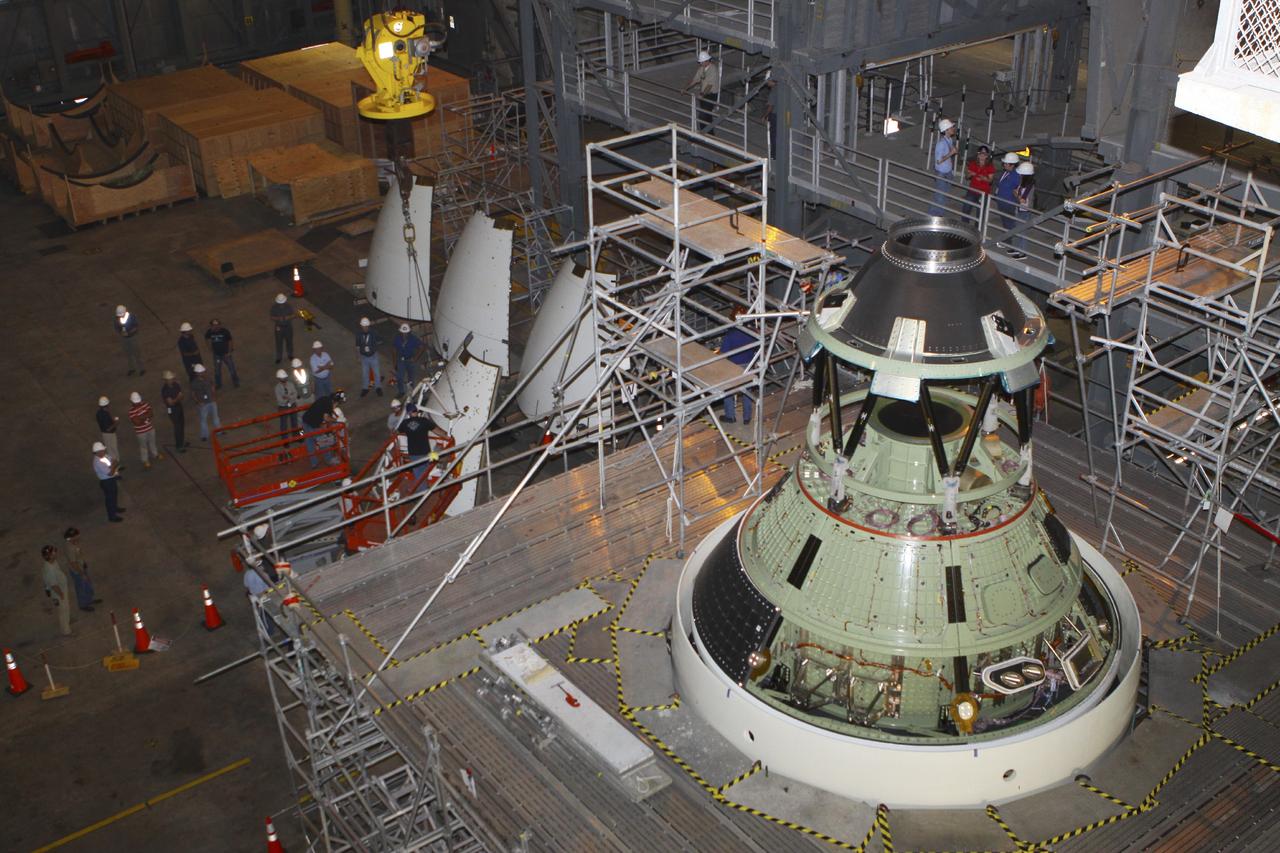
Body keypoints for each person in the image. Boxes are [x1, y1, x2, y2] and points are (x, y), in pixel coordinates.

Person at [720, 313, 757, 424]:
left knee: (728, 391)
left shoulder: (730, 335)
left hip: (733, 366)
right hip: (748, 365)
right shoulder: (751, 333)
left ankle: (730, 416)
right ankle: (747, 418)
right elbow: (757, 347)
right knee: (747, 392)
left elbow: (724, 352)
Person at [301, 391, 346, 468]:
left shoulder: (325, 399)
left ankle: (314, 463)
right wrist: (337, 420)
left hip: (305, 420)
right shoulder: (329, 405)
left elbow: (321, 414)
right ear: (336, 401)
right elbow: (326, 418)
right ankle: (329, 460)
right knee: (323, 441)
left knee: (310, 442)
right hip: (312, 424)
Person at [397, 404, 438, 488]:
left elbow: (399, 432)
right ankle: (424, 491)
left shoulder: (405, 423)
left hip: (414, 454)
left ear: (408, 413)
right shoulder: (424, 421)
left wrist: (409, 432)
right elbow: (437, 430)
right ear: (416, 411)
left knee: (420, 476)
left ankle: (422, 494)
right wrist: (447, 437)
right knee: (424, 473)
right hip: (426, 452)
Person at [62, 528, 100, 612]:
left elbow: (78, 555)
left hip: (81, 566)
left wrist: (83, 563)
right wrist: (81, 573)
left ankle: (89, 600)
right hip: (77, 571)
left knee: (87, 585)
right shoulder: (70, 548)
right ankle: (83, 605)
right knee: (81, 587)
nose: (79, 537)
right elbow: (73, 563)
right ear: (72, 537)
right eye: (77, 536)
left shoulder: (73, 543)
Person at [42, 545, 74, 636]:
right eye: (53, 552)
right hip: (58, 593)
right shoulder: (49, 570)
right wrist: (61, 594)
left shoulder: (52, 562)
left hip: (61, 589)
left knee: (65, 609)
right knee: (63, 611)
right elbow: (53, 585)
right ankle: (66, 631)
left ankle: (66, 622)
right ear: (49, 555)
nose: (55, 553)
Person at [686, 50, 720, 132]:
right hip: (704, 94)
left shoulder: (713, 69)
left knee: (703, 115)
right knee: (706, 115)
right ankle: (708, 133)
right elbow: (695, 80)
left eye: (702, 62)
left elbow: (710, 85)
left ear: (707, 61)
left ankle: (705, 132)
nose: (700, 64)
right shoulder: (702, 69)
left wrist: (702, 94)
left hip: (711, 95)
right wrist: (686, 88)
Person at [930, 118, 959, 215]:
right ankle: (935, 215)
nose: (953, 129)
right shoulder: (941, 144)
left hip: (947, 172)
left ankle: (938, 214)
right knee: (940, 196)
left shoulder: (949, 140)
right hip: (942, 173)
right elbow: (938, 161)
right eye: (951, 127)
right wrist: (951, 153)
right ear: (946, 130)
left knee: (943, 195)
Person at [127, 391, 163, 469]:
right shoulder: (131, 411)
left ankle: (155, 454)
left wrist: (141, 417)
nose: (138, 403)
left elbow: (151, 413)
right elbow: (137, 422)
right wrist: (145, 416)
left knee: (152, 442)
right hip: (141, 432)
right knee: (143, 446)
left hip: (150, 428)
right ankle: (145, 460)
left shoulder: (145, 404)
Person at [993, 152, 1022, 251]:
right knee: (1005, 221)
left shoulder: (1016, 176)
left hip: (1008, 202)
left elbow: (1018, 190)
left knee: (1009, 222)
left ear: (1012, 165)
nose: (1004, 164)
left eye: (1006, 163)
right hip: (1002, 201)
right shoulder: (1006, 173)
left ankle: (1009, 242)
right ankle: (1007, 240)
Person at [1009, 161, 1036, 260]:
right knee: (1018, 229)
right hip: (1021, 209)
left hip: (1025, 211)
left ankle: (1023, 252)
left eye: (1021, 174)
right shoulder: (1024, 184)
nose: (1019, 175)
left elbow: (1022, 200)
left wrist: (1016, 195)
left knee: (1022, 232)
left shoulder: (1029, 186)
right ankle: (1017, 248)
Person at [92, 441, 124, 522]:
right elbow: (110, 473)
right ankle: (112, 516)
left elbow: (115, 461)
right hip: (107, 482)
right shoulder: (97, 462)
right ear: (97, 452)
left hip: (111, 480)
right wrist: (113, 466)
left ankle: (115, 508)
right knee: (110, 499)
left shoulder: (104, 456)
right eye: (102, 450)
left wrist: (113, 465)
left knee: (114, 495)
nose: (104, 451)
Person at [204, 319, 240, 390]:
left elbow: (230, 341)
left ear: (220, 325)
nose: (216, 327)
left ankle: (236, 382)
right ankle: (218, 384)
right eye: (214, 325)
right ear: (211, 326)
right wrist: (210, 348)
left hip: (226, 354)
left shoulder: (225, 332)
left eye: (217, 325)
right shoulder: (210, 332)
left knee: (231, 368)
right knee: (217, 370)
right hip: (217, 355)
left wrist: (229, 352)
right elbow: (206, 338)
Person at [964, 145, 995, 223]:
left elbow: (990, 181)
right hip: (973, 189)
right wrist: (970, 174)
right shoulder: (973, 164)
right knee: (966, 208)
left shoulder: (990, 167)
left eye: (984, 154)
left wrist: (984, 178)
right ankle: (965, 224)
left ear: (987, 156)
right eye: (980, 153)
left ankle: (977, 228)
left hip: (984, 192)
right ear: (978, 155)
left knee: (980, 212)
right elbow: (967, 177)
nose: (982, 155)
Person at [190, 363, 220, 441]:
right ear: (197, 373)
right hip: (203, 404)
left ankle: (219, 431)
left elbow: (212, 386)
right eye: (201, 372)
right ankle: (204, 435)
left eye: (203, 372)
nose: (203, 373)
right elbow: (193, 394)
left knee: (216, 417)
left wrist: (214, 396)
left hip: (211, 401)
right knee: (203, 420)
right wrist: (198, 402)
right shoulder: (194, 383)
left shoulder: (208, 378)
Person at [355, 317, 384, 397]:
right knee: (365, 373)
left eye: (366, 326)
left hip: (373, 356)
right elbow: (357, 346)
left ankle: (378, 388)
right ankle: (365, 388)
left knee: (376, 373)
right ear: (361, 326)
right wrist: (358, 356)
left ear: (368, 326)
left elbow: (381, 340)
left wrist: (374, 346)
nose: (365, 328)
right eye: (363, 326)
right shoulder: (358, 334)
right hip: (364, 357)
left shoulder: (374, 333)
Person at [160, 369, 187, 452]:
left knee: (182, 424)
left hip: (178, 406)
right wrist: (177, 398)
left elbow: (181, 396)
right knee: (177, 426)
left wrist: (177, 399)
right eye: (169, 379)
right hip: (172, 410)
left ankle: (182, 441)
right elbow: (170, 403)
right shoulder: (165, 390)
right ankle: (179, 446)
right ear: (165, 380)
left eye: (172, 379)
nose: (171, 380)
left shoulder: (176, 385)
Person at [115, 304, 143, 376]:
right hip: (124, 338)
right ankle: (132, 368)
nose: (120, 316)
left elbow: (136, 326)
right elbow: (116, 327)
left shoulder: (131, 317)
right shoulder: (117, 319)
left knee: (137, 353)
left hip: (132, 337)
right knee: (128, 353)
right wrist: (121, 332)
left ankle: (141, 369)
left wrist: (130, 332)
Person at [96, 396, 124, 469]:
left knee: (112, 449)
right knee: (111, 450)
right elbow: (108, 428)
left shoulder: (100, 413)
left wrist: (112, 420)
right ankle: (115, 466)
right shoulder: (104, 414)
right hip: (109, 434)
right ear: (106, 405)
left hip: (107, 434)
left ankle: (117, 464)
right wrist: (116, 423)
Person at [393, 324, 422, 392]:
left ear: (409, 332)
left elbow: (422, 347)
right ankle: (401, 392)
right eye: (403, 333)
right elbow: (394, 349)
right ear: (400, 332)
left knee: (411, 378)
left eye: (406, 333)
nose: (404, 334)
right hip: (401, 360)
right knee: (399, 377)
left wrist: (415, 358)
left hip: (410, 360)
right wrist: (394, 362)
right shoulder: (397, 339)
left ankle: (410, 393)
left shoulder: (413, 339)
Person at [271, 293, 296, 364]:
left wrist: (288, 317)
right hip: (279, 327)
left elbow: (294, 315)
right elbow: (271, 317)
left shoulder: (289, 307)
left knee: (289, 341)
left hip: (288, 327)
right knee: (279, 342)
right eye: (280, 303)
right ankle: (279, 357)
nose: (281, 304)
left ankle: (290, 355)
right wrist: (278, 318)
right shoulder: (274, 307)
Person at [275, 369, 300, 434]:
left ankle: (296, 436)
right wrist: (290, 397)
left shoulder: (290, 384)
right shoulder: (277, 388)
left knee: (294, 421)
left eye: (284, 378)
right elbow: (280, 400)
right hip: (283, 407)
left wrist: (287, 397)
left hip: (292, 404)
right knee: (284, 424)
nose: (284, 379)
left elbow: (295, 394)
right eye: (282, 378)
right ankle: (285, 441)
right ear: (279, 379)